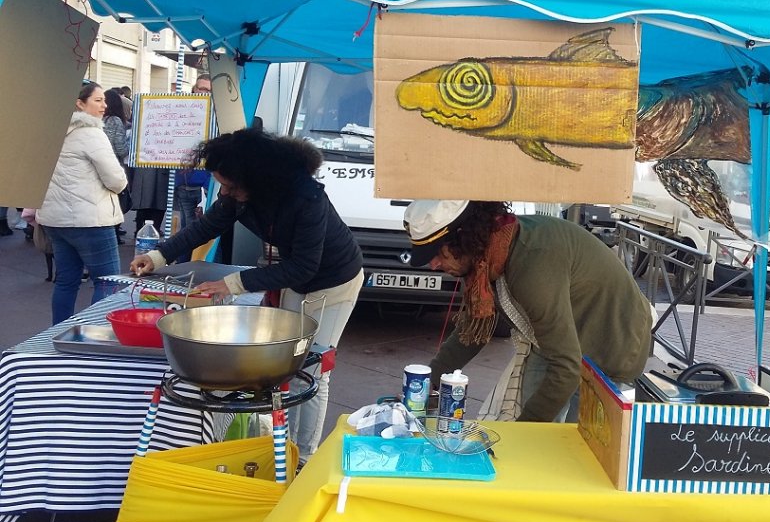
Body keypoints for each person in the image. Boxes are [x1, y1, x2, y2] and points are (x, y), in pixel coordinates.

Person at [129, 128, 364, 463]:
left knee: (312, 369)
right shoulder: (243, 191)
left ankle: (304, 458)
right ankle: (285, 448)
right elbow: (206, 226)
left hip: (334, 282)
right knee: (289, 370)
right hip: (297, 281)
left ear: (256, 176)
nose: (224, 192)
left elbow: (303, 267)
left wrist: (233, 284)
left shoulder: (307, 197)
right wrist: (157, 256)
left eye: (228, 186)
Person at [403, 200, 652, 422]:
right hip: (558, 342)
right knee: (534, 421)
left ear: (463, 239)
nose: (433, 265)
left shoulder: (532, 265)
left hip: (612, 346)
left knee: (578, 450)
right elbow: (470, 334)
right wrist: (426, 386)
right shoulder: (488, 256)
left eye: (437, 253)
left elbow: (566, 368)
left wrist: (525, 435)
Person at [36, 82, 128, 324]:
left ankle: (56, 334)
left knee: (66, 281)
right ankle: (94, 338)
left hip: (55, 219)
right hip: (90, 220)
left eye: (103, 100)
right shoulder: (91, 133)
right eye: (97, 100)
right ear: (79, 103)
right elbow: (116, 180)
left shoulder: (47, 131)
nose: (104, 105)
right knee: (108, 282)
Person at [173, 74, 213, 255]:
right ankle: (182, 271)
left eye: (209, 90)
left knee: (202, 236)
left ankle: (194, 270)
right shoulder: (182, 113)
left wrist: (208, 188)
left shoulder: (216, 117)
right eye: (202, 88)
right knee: (185, 232)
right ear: (194, 89)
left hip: (207, 186)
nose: (205, 93)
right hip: (185, 184)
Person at [103, 88, 131, 244]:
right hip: (113, 166)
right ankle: (113, 233)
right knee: (115, 202)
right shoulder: (115, 121)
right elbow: (120, 148)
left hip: (97, 167)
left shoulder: (98, 119)